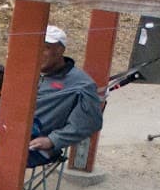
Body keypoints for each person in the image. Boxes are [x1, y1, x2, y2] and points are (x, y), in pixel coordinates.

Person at [27, 25, 105, 166]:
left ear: (60, 50)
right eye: (35, 46)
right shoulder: (25, 71)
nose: (39, 53)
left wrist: (53, 140)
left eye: (46, 48)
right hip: (1, 131)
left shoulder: (81, 84)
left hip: (35, 143)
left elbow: (91, 122)